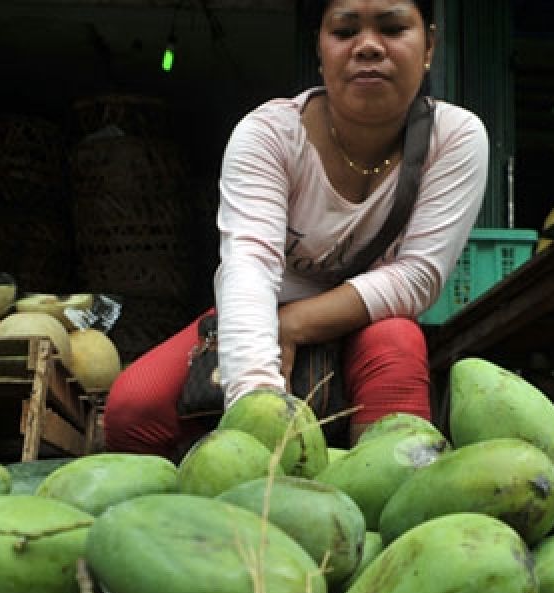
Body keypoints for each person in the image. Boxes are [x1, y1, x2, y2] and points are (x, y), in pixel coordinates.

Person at [103, 0, 489, 459]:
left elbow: (417, 276)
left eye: (392, 28)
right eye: (345, 31)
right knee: (132, 410)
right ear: (320, 51)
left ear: (429, 46)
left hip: (368, 318)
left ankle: (380, 517)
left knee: (398, 344)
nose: (368, 46)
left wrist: (294, 325)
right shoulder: (268, 135)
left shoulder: (456, 137)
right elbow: (248, 266)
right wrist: (258, 404)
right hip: (261, 305)